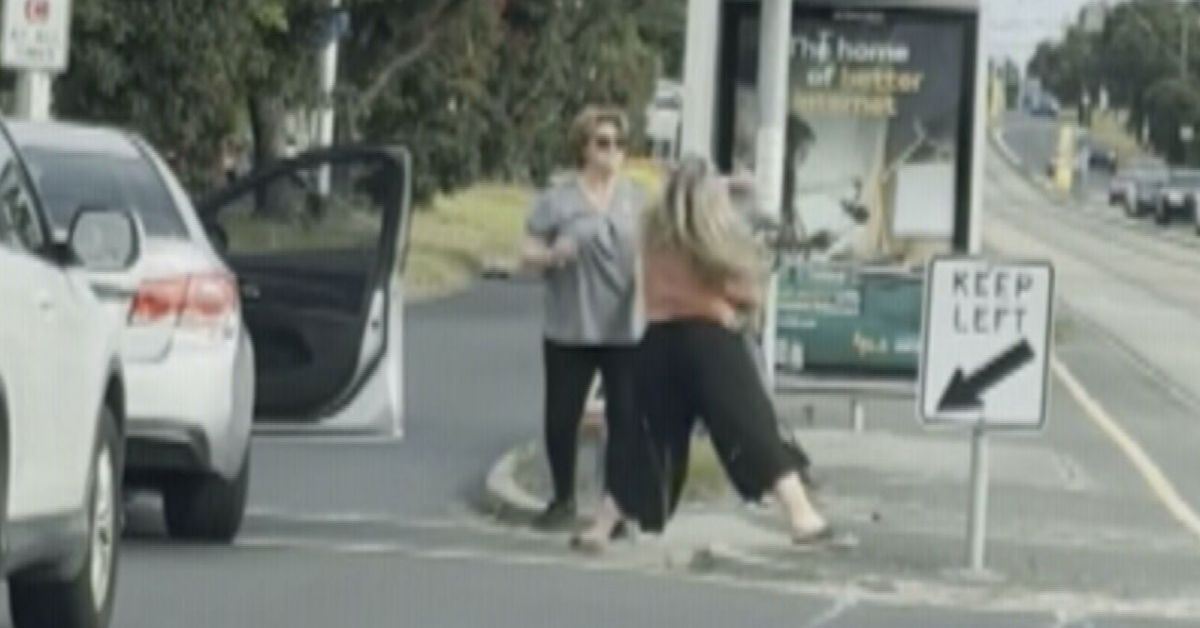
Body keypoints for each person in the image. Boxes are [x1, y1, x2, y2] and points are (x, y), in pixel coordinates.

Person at [574, 155, 831, 551]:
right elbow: (747, 295)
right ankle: (802, 516)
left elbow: (682, 194)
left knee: (645, 441)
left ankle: (603, 525)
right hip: (711, 341)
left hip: (656, 342)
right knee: (752, 428)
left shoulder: (653, 232)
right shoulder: (716, 237)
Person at [520, 106, 646, 532]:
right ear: (584, 148)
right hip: (570, 326)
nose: (613, 152)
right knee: (561, 416)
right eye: (603, 143)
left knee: (626, 419)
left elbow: (657, 249)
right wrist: (551, 256)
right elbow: (526, 254)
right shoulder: (559, 200)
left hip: (624, 328)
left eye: (619, 144)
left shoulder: (636, 199)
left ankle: (615, 508)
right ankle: (563, 499)